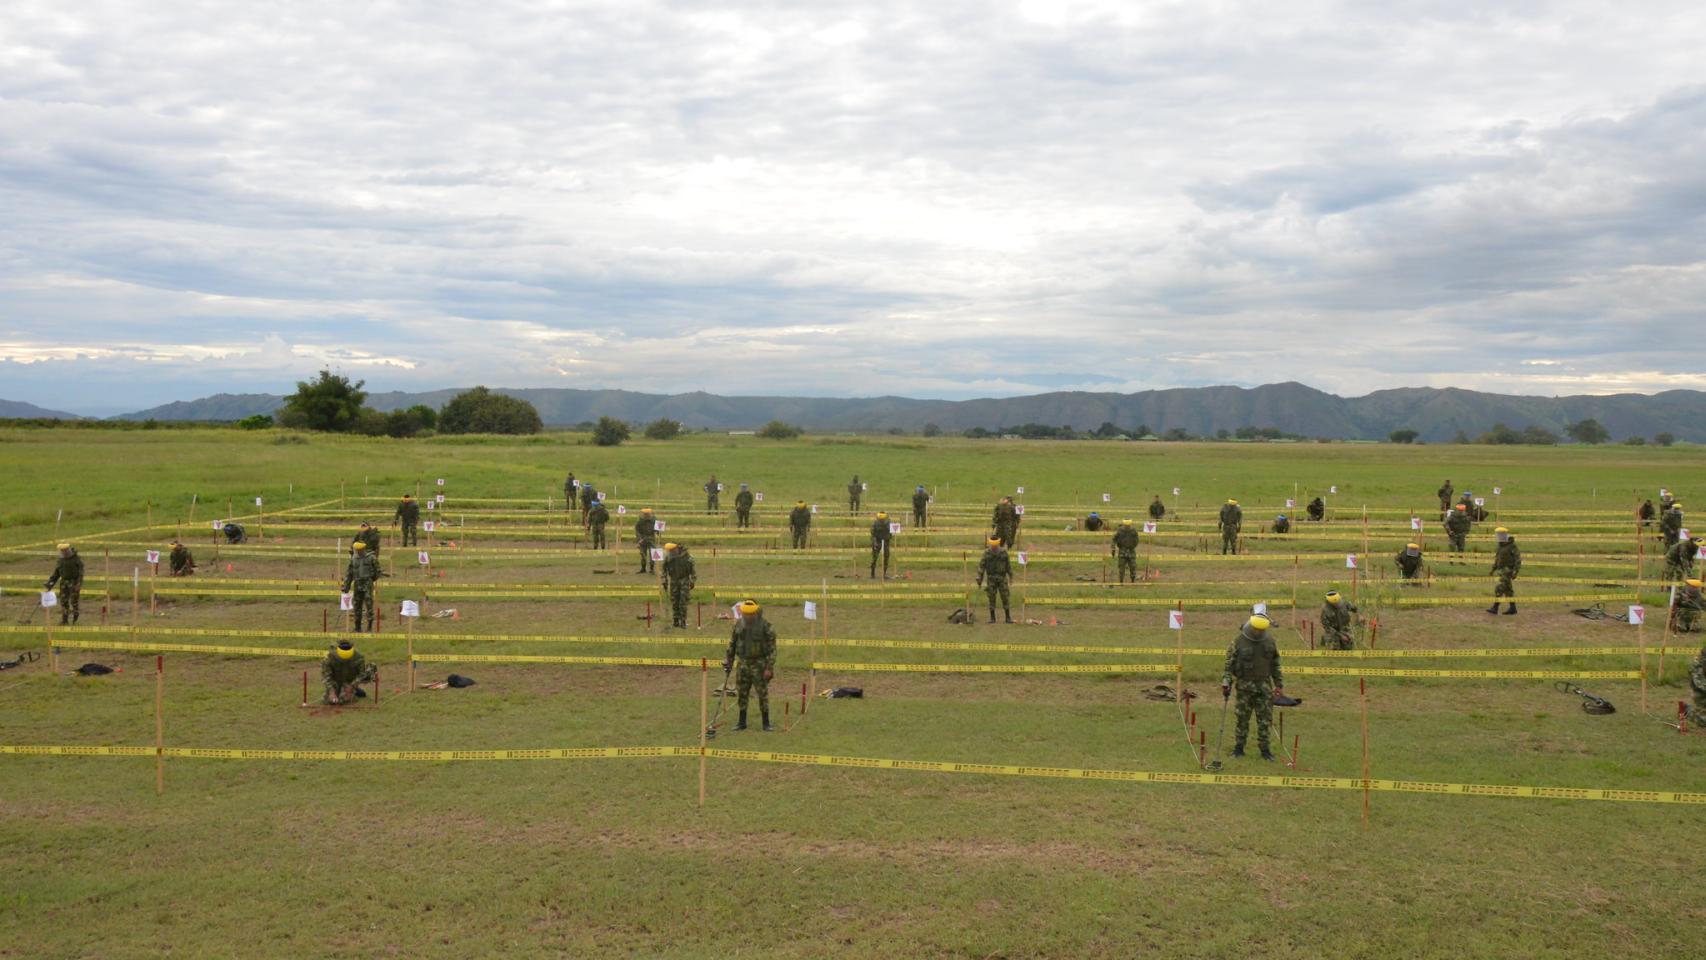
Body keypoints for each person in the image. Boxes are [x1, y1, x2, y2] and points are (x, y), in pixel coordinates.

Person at [1221, 615, 1285, 760]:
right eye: (1255, 629)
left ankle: (1265, 751)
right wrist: (1226, 682)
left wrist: (1279, 684)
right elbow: (1228, 666)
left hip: (1264, 687)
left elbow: (1275, 665)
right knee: (1242, 719)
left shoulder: (1270, 641)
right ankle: (1238, 749)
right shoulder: (1238, 642)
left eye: (1260, 630)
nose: (1257, 632)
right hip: (1244, 688)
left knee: (1264, 720)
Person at [723, 599, 777, 731]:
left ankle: (766, 723)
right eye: (745, 614)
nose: (747, 617)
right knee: (742, 693)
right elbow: (732, 643)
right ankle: (742, 722)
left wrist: (769, 668)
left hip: (760, 664)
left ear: (755, 613)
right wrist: (729, 660)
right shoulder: (738, 625)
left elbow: (772, 649)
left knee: (762, 693)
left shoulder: (766, 626)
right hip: (742, 664)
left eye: (750, 614)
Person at [341, 541, 382, 632]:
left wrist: (371, 579)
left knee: (369, 605)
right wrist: (346, 586)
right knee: (357, 605)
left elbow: (378, 571)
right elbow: (349, 573)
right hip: (357, 584)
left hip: (367, 583)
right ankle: (357, 627)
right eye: (357, 550)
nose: (358, 552)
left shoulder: (371, 558)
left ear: (363, 549)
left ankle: (369, 627)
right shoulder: (353, 559)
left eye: (360, 550)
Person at [321, 640, 377, 705]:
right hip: (335, 682)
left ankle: (355, 691)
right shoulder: (329, 658)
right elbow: (326, 676)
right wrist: (331, 691)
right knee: (329, 701)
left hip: (350, 681)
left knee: (344, 700)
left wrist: (352, 685)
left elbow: (362, 674)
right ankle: (346, 691)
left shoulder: (358, 657)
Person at [43, 542, 83, 625]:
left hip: (74, 582)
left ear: (68, 550)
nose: (63, 552)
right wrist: (50, 583)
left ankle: (75, 619)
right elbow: (56, 574)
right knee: (63, 602)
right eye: (61, 550)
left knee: (74, 601)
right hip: (64, 583)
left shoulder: (76, 559)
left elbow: (80, 573)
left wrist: (78, 584)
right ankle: (64, 620)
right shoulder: (60, 560)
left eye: (65, 550)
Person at [976, 536, 1014, 624]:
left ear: (998, 544)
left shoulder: (1004, 552)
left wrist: (1011, 576)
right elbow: (982, 566)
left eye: (995, 545)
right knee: (991, 597)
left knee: (1005, 597)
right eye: (992, 545)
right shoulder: (987, 553)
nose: (993, 547)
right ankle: (992, 618)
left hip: (1002, 578)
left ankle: (1008, 617)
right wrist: (979, 578)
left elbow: (1008, 565)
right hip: (991, 578)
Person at [661, 542, 696, 629]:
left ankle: (683, 621)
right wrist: (664, 580)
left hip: (684, 580)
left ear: (676, 549)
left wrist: (692, 581)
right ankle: (675, 621)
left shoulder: (687, 557)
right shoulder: (669, 557)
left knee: (683, 602)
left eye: (671, 551)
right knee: (674, 601)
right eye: (669, 551)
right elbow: (663, 569)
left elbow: (693, 571)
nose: (670, 552)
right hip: (673, 581)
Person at [1487, 527, 1521, 615]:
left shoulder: (1512, 546)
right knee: (1508, 590)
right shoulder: (1500, 546)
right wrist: (1493, 569)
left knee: (1499, 588)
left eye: (1499, 535)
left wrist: (1515, 571)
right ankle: (1513, 608)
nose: (1498, 537)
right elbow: (1497, 559)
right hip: (1501, 570)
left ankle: (1495, 607)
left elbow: (1518, 559)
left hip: (1508, 570)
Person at [869, 512, 893, 578]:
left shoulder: (875, 522)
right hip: (881, 541)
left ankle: (873, 574)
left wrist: (874, 542)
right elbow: (891, 533)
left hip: (879, 541)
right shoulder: (888, 522)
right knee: (884, 558)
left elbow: (872, 532)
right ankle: (880, 574)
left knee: (875, 558)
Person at [634, 508, 658, 573]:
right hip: (642, 539)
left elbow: (657, 530)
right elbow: (637, 530)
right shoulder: (639, 522)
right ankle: (643, 568)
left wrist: (658, 533)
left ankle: (652, 569)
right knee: (643, 554)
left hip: (651, 539)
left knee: (653, 554)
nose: (646, 515)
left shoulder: (654, 521)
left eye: (647, 514)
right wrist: (639, 539)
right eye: (645, 514)